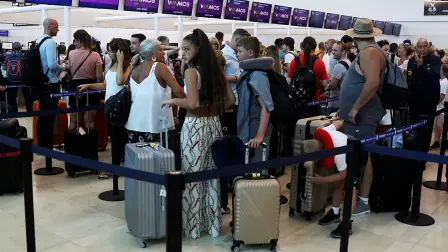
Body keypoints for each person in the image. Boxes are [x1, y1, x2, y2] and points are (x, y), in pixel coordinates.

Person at [162, 29, 235, 239]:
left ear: (198, 50)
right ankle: (212, 226)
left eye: (186, 49)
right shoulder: (216, 71)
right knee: (211, 176)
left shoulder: (191, 72)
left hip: (194, 127)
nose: (182, 54)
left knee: (192, 176)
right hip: (214, 125)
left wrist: (174, 101)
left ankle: (193, 228)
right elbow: (230, 100)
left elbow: (191, 103)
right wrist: (212, 109)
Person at [339, 18, 387, 223]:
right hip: (360, 117)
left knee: (363, 158)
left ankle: (363, 201)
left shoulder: (369, 53)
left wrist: (356, 107)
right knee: (360, 157)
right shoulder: (370, 51)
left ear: (355, 36)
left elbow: (373, 82)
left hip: (363, 116)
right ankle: (357, 197)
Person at [77, 38, 131, 179]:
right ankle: (116, 166)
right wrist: (89, 86)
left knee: (118, 138)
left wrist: (120, 61)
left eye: (113, 51)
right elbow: (105, 85)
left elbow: (120, 81)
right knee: (114, 137)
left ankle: (115, 169)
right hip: (110, 105)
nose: (110, 54)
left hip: (120, 107)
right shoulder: (112, 65)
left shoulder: (127, 65)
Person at [125, 39, 185, 146]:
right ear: (150, 53)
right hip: (156, 124)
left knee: (140, 160)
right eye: (160, 50)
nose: (163, 53)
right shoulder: (159, 67)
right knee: (160, 160)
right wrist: (190, 101)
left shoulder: (134, 68)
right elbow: (178, 90)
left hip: (133, 124)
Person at [304, 120, 357, 238]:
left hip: (355, 155)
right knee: (337, 184)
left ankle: (346, 224)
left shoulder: (339, 153)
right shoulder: (324, 132)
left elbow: (343, 174)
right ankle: (335, 213)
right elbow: (339, 123)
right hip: (345, 148)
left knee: (350, 189)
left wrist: (322, 180)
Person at [236, 36, 274, 160]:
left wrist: (259, 136)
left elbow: (266, 107)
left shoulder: (257, 75)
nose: (237, 54)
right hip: (251, 126)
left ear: (250, 52)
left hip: (257, 127)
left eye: (240, 51)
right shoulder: (250, 73)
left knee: (256, 170)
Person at [35, 18, 67, 153]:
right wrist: (64, 67)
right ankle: (48, 148)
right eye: (56, 27)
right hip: (50, 83)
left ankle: (42, 145)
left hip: (40, 83)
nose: (58, 29)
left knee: (43, 116)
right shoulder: (50, 43)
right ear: (48, 27)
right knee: (49, 117)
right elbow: (52, 65)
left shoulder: (38, 41)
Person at [407, 37, 442, 152]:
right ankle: (413, 153)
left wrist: (421, 66)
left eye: (425, 46)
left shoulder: (435, 60)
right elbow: (410, 78)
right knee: (414, 128)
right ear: (416, 47)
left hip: (428, 102)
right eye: (420, 46)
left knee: (426, 129)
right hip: (414, 101)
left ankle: (423, 155)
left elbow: (433, 78)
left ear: (429, 47)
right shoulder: (412, 60)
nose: (422, 49)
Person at [67, 29, 103, 130]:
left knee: (74, 121)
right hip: (91, 86)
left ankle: (74, 144)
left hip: (75, 86)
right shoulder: (95, 55)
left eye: (75, 40)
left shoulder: (71, 53)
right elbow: (99, 76)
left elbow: (70, 68)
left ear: (79, 41)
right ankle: (89, 144)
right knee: (90, 121)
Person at [288, 36, 329, 117]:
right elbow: (324, 84)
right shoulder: (319, 63)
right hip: (314, 100)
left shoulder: (294, 61)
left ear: (302, 47)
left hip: (297, 100)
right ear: (314, 47)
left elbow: (289, 81)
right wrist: (315, 82)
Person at [222, 28, 251, 135]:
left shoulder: (238, 54)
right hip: (231, 101)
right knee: (232, 134)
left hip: (241, 99)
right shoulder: (224, 55)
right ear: (236, 39)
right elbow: (218, 77)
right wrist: (236, 78)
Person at [0, 42, 33, 112]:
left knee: (12, 98)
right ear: (20, 47)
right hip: (23, 80)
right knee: (27, 96)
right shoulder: (23, 55)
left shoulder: (7, 56)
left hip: (11, 80)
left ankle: (14, 112)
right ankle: (29, 111)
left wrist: (6, 76)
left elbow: (3, 67)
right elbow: (26, 68)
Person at [325, 42, 351, 115]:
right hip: (345, 100)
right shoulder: (348, 62)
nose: (332, 52)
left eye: (335, 50)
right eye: (332, 50)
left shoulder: (339, 66)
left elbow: (333, 85)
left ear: (343, 52)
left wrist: (326, 87)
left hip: (336, 102)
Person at [431, 64, 448, 149]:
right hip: (438, 108)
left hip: (442, 108)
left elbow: (442, 96)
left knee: (441, 127)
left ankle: (445, 143)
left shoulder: (445, 82)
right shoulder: (441, 81)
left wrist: (434, 103)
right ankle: (437, 142)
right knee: (436, 126)